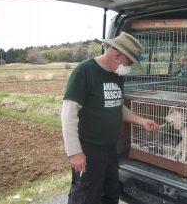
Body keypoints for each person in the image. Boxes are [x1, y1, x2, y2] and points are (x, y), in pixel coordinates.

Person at [61, 32, 159, 204]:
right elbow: (68, 115)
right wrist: (75, 152)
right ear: (117, 54)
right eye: (129, 63)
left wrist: (141, 121)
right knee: (86, 196)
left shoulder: (116, 75)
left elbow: (116, 105)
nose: (129, 67)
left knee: (111, 193)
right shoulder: (85, 72)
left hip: (109, 148)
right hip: (89, 150)